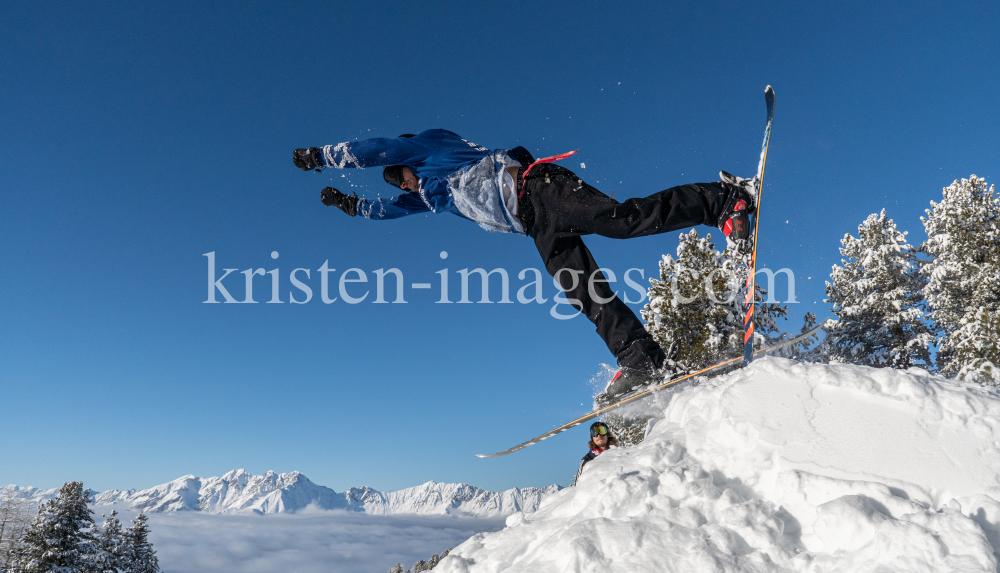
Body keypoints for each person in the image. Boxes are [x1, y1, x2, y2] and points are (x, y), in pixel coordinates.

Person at [292, 129, 756, 403]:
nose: (405, 186)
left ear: (410, 160)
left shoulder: (432, 148)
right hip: (536, 223)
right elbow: (391, 210)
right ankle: (643, 360)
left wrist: (322, 159)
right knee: (583, 292)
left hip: (540, 188)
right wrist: (350, 206)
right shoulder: (431, 196)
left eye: (402, 178)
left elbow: (379, 148)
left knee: (622, 220)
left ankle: (726, 202)